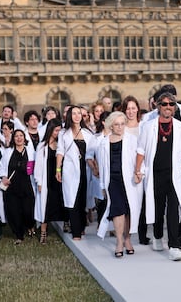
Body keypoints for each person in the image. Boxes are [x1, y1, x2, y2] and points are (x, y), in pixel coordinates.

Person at [134, 92, 181, 261]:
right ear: (158, 106)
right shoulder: (148, 126)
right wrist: (138, 170)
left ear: (175, 107)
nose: (168, 107)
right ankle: (158, 236)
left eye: (171, 104)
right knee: (157, 208)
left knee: (173, 208)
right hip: (155, 174)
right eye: (164, 104)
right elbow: (141, 150)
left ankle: (173, 246)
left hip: (174, 174)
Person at [97, 112, 143, 258]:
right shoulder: (103, 142)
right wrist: (103, 186)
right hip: (113, 180)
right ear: (111, 125)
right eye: (116, 124)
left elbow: (139, 159)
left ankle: (128, 239)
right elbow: (102, 166)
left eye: (122, 124)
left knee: (128, 209)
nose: (120, 127)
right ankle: (119, 241)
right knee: (117, 210)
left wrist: (139, 173)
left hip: (129, 180)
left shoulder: (132, 139)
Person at [56, 105, 94, 240]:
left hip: (86, 169)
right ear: (69, 116)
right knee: (73, 199)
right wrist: (58, 169)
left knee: (83, 199)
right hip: (70, 170)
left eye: (79, 113)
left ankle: (81, 226)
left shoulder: (88, 133)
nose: (77, 116)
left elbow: (93, 152)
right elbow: (60, 151)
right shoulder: (63, 133)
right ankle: (76, 232)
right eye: (74, 113)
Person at [0, 129, 36, 244]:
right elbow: (2, 167)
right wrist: (3, 177)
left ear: (24, 138)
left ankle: (30, 225)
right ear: (13, 139)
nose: (19, 138)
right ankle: (19, 235)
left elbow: (34, 169)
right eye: (16, 136)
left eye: (21, 136)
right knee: (14, 212)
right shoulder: (8, 151)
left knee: (27, 211)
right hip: (12, 187)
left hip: (27, 186)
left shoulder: (30, 151)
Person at [121, 96, 150, 245]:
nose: (131, 111)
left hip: (144, 168)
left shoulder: (144, 126)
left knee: (144, 202)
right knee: (129, 203)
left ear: (137, 109)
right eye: (128, 108)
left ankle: (142, 234)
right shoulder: (122, 128)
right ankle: (127, 236)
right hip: (128, 170)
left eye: (133, 108)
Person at [34, 118, 65, 244]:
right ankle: (43, 232)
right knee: (44, 207)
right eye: (56, 130)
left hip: (59, 179)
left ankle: (66, 224)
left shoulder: (61, 145)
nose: (58, 133)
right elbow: (38, 165)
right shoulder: (43, 146)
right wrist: (39, 182)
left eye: (59, 130)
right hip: (47, 180)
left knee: (60, 202)